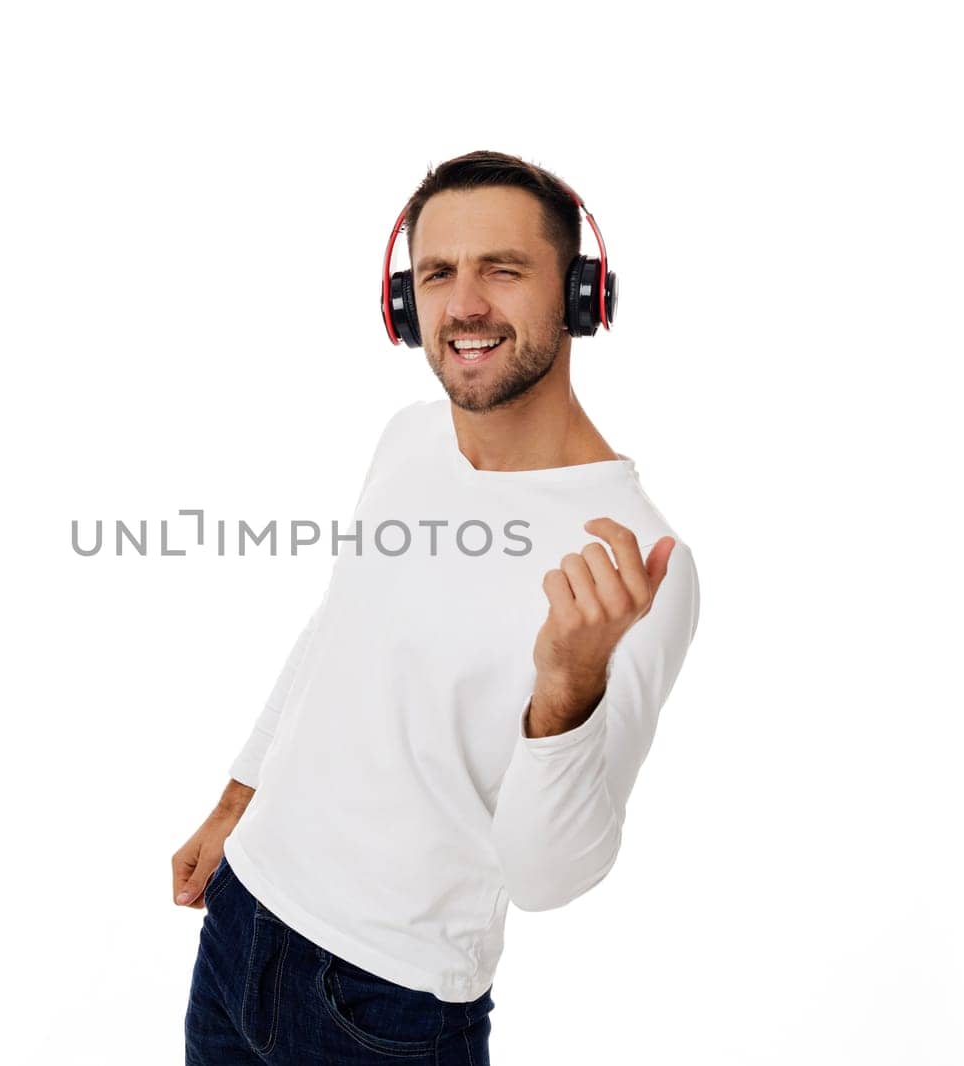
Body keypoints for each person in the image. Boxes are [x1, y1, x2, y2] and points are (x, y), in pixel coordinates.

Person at [175, 149, 702, 1064]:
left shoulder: (636, 561)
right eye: (437, 273)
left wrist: (566, 690)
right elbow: (336, 632)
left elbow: (549, 878)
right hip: (241, 922)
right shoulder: (411, 436)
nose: (464, 305)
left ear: (582, 296)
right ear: (401, 301)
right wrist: (238, 798)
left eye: (503, 270)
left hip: (385, 1008)